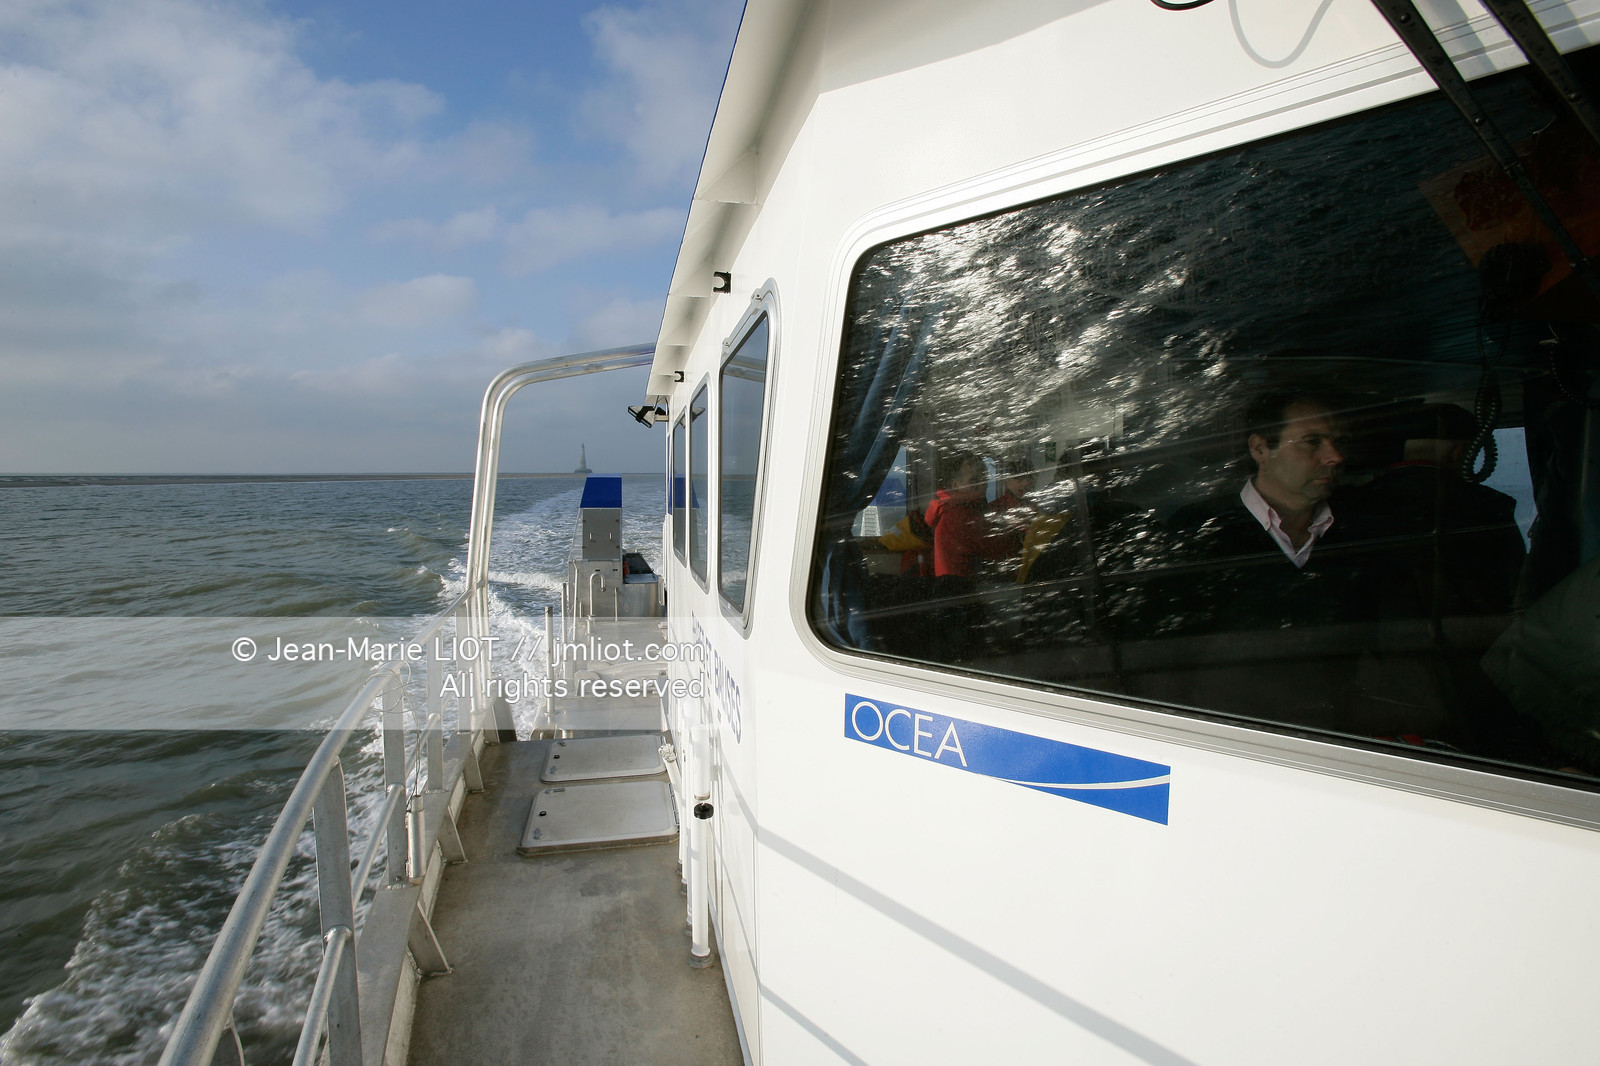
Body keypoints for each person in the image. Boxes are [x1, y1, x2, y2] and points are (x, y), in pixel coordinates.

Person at [1340, 403, 1525, 617]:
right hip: (1472, 627)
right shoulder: (1488, 504)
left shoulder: (1349, 503)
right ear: (1460, 453)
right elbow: (1516, 583)